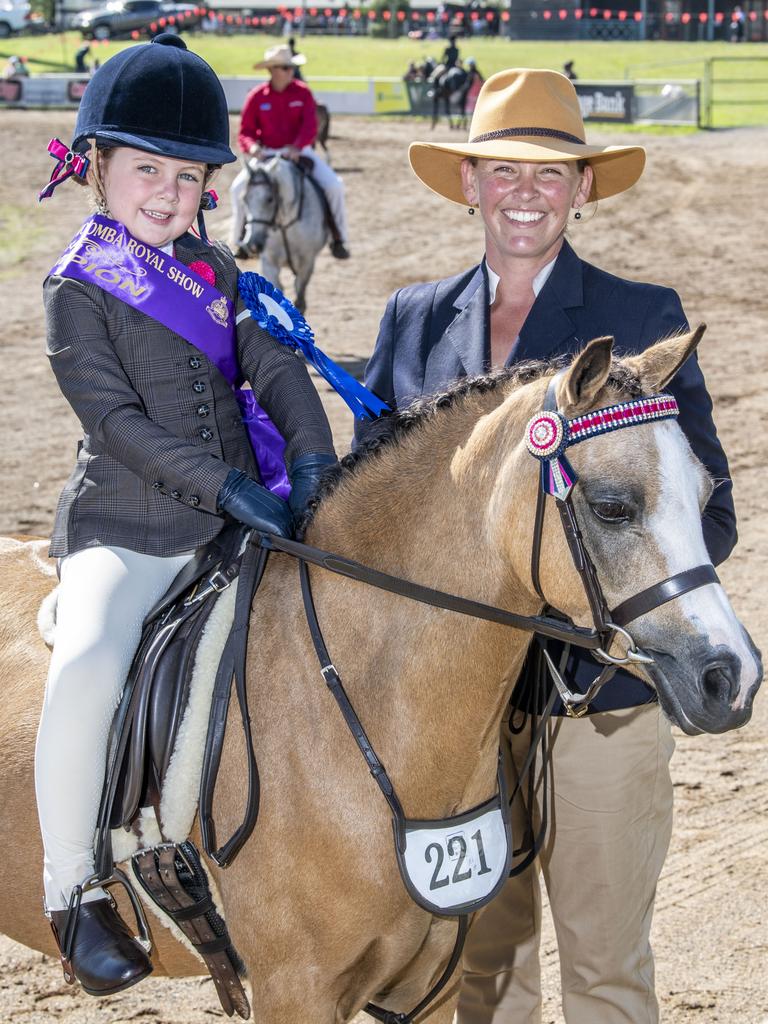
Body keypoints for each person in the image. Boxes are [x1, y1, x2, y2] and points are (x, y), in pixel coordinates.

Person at [358, 68, 735, 1024]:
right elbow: (371, 512)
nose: (526, 191)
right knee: (480, 972)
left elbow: (708, 513)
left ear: (583, 191)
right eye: (504, 171)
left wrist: (572, 597)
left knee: (606, 968)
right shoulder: (412, 319)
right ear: (472, 186)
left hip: (598, 700)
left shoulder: (644, 317)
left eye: (550, 173)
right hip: (453, 724)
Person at [35, 34, 336, 998]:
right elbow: (115, 424)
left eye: (188, 175)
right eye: (145, 171)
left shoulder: (221, 274)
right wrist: (226, 489)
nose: (168, 194)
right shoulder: (77, 289)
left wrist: (318, 460)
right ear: (98, 170)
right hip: (130, 526)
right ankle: (71, 888)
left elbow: (279, 371)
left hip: (243, 522)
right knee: (86, 663)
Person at [229, 43, 350, 261]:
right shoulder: (256, 97)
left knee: (334, 186)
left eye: (291, 67)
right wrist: (253, 148)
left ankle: (338, 237)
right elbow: (245, 132)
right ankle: (239, 240)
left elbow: (310, 126)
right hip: (266, 155)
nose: (290, 71)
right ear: (272, 70)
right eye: (285, 67)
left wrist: (297, 146)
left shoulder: (303, 93)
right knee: (237, 189)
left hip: (299, 153)